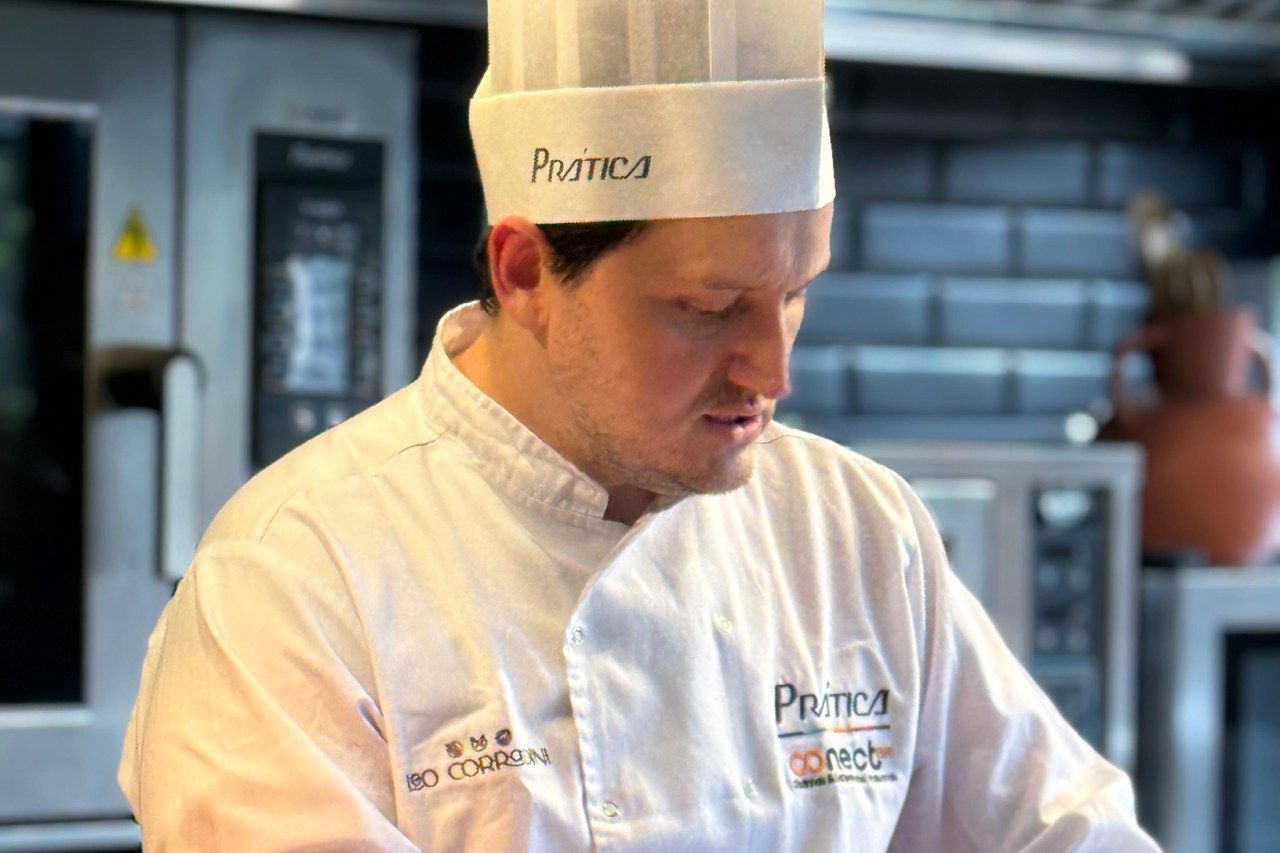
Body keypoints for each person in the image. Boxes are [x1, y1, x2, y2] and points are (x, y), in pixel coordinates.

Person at [119, 2, 1160, 850]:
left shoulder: (855, 529)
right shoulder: (297, 577)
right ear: (526, 271)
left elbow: (1064, 831)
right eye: (708, 307)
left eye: (795, 294)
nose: (773, 371)